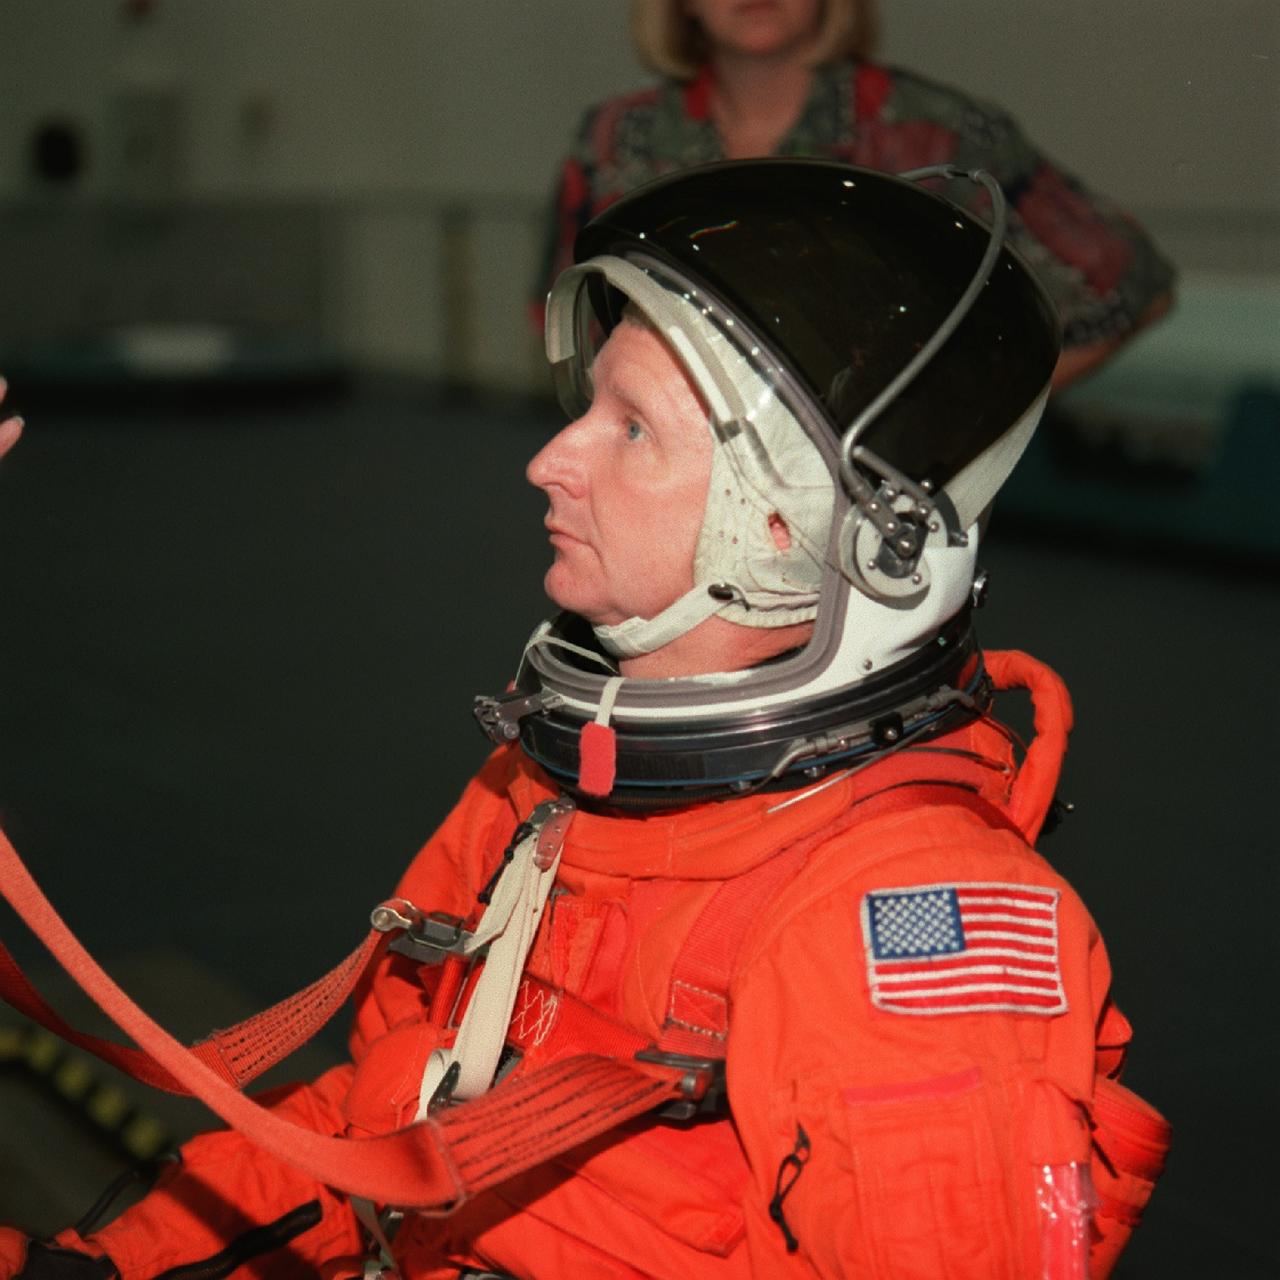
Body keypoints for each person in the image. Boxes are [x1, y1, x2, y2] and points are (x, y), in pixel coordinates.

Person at [0, 159, 1171, 1279]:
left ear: (791, 527)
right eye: (588, 403)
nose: (548, 458)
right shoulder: (545, 792)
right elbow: (376, 1124)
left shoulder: (897, 942)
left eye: (631, 429)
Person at [533, 0, 1175, 390]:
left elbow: (1131, 288)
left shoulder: (931, 133)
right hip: (667, 514)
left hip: (872, 527)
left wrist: (963, 429)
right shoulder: (616, 140)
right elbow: (564, 322)